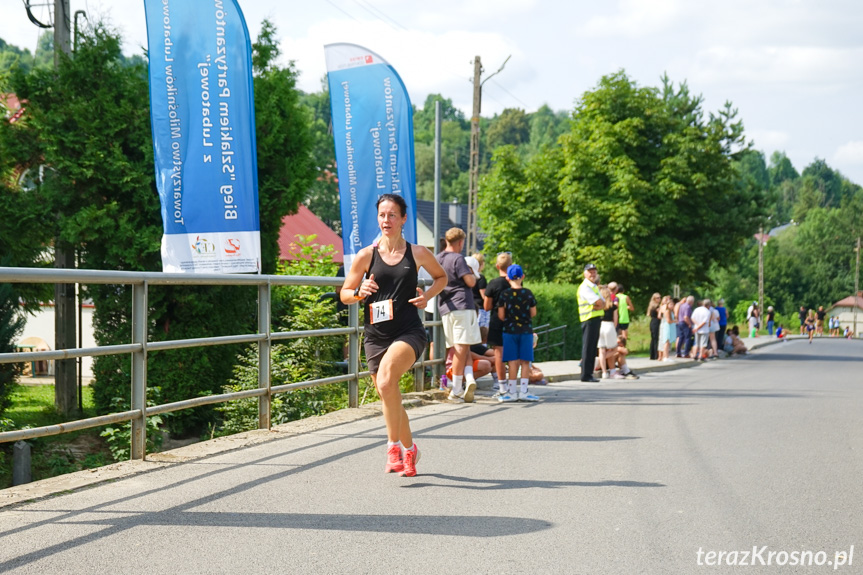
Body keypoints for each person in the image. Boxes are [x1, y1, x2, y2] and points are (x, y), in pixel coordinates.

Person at [340, 194, 447, 477]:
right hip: (376, 335)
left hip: (408, 331)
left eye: (391, 215)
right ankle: (411, 450)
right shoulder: (366, 255)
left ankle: (392, 447)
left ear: (403, 219)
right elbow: (344, 293)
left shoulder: (418, 252)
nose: (386, 220)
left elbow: (442, 277)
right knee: (389, 393)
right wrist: (358, 292)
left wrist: (428, 298)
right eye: (382, 215)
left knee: (387, 382)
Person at [436, 227, 483, 404]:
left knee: (456, 348)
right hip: (462, 305)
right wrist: (471, 273)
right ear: (461, 242)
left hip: (446, 307)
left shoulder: (438, 258)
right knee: (462, 348)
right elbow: (470, 281)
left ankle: (465, 381)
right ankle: (456, 390)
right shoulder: (458, 259)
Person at [497, 264, 540, 402]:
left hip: (509, 331)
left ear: (507, 278)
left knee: (512, 361)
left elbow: (501, 315)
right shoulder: (528, 293)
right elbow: (533, 312)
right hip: (526, 331)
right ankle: (524, 391)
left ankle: (511, 391)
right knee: (525, 361)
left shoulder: (504, 294)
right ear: (523, 277)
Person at [484, 252, 513, 397]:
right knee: (514, 354)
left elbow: (487, 306)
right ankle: (513, 386)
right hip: (513, 321)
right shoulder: (514, 283)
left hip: (497, 321)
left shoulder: (493, 283)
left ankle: (502, 386)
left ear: (497, 266)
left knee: (499, 355)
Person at [577, 263, 605, 382]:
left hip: (594, 318)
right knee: (588, 347)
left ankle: (589, 373)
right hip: (588, 319)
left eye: (594, 272)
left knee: (592, 348)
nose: (592, 274)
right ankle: (586, 374)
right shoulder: (585, 287)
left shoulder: (593, 286)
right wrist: (599, 305)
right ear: (585, 273)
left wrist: (599, 306)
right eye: (590, 271)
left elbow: (603, 303)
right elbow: (600, 303)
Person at [597, 285, 623, 379]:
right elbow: (615, 320)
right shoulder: (613, 306)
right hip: (609, 325)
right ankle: (609, 369)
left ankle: (604, 372)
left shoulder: (599, 306)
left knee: (601, 349)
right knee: (614, 349)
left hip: (600, 326)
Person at [468, 253, 489, 344]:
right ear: (481, 264)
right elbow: (484, 295)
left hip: (471, 307)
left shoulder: (468, 277)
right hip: (481, 309)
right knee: (482, 333)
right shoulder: (481, 278)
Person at [647, 293, 662, 360]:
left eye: (659, 297)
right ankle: (656, 355)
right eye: (657, 298)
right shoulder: (657, 306)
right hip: (656, 322)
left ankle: (652, 355)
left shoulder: (651, 306)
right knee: (656, 339)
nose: (659, 299)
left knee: (653, 339)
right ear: (654, 299)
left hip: (653, 322)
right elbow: (659, 315)